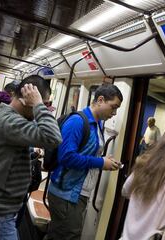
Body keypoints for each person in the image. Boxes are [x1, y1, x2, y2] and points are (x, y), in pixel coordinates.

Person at [0, 75, 62, 239]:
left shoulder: (7, 114)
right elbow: (53, 138)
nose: (43, 108)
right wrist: (38, 105)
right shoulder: (10, 121)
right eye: (44, 103)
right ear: (27, 99)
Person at [46, 84, 123, 240]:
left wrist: (104, 160)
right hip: (66, 193)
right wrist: (100, 163)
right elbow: (66, 157)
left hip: (77, 192)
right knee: (68, 235)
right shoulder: (78, 122)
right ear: (100, 100)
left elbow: (88, 152)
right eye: (113, 107)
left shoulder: (98, 124)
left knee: (58, 235)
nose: (114, 113)